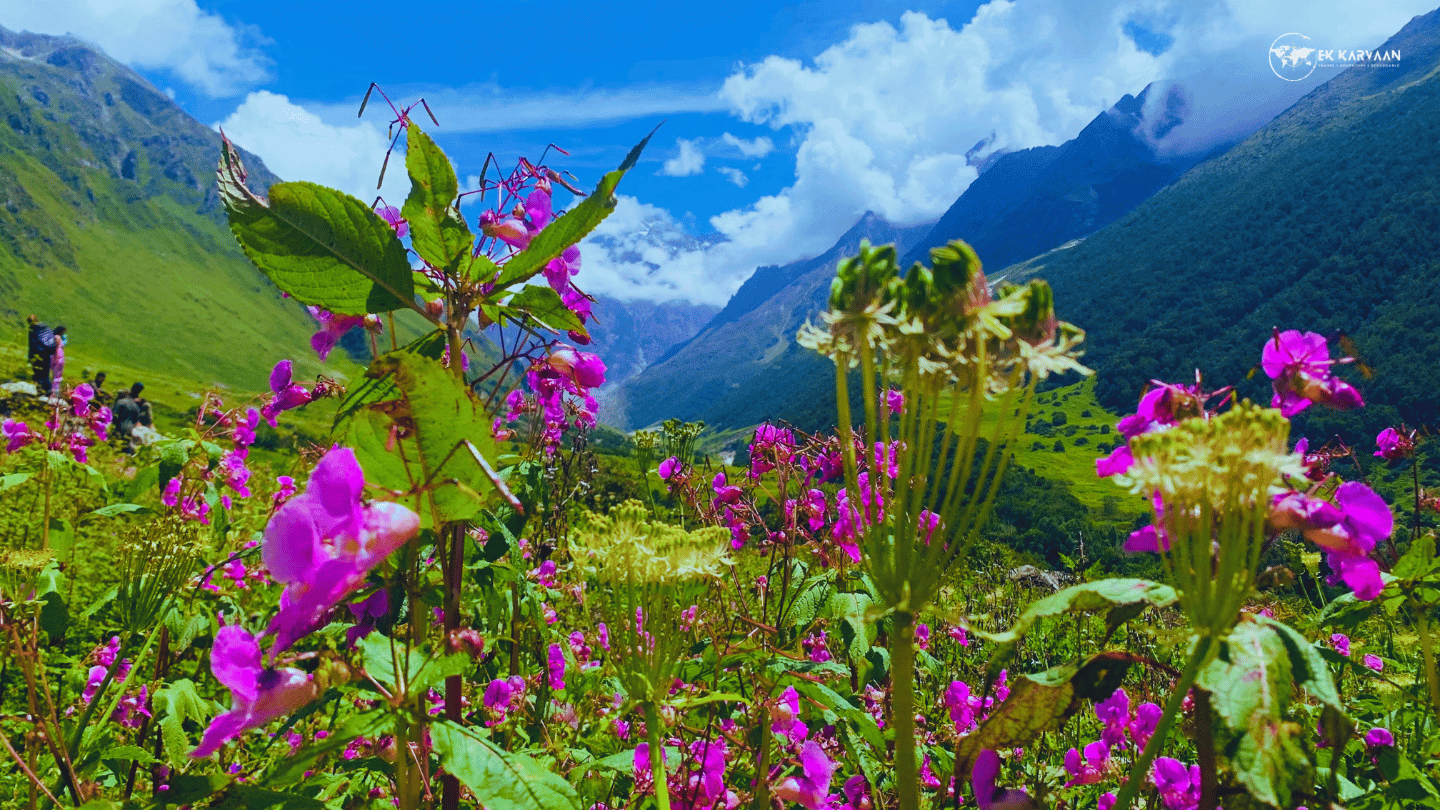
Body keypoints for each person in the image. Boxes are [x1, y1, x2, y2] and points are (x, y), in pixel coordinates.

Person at [112, 382, 153, 452]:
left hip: (122, 427)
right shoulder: (138, 403)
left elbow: (114, 415)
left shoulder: (122, 401)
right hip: (130, 428)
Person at [26, 315, 56, 395]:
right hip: (48, 353)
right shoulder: (46, 328)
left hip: (38, 354)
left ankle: (39, 391)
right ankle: (49, 391)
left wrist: (30, 357)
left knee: (38, 373)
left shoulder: (32, 330)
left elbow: (31, 345)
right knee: (46, 373)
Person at [50, 325, 67, 393]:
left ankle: (53, 388)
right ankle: (55, 390)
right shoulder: (57, 337)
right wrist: (56, 357)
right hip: (58, 357)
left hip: (55, 356)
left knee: (55, 374)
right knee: (57, 374)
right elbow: (56, 347)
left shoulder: (54, 337)